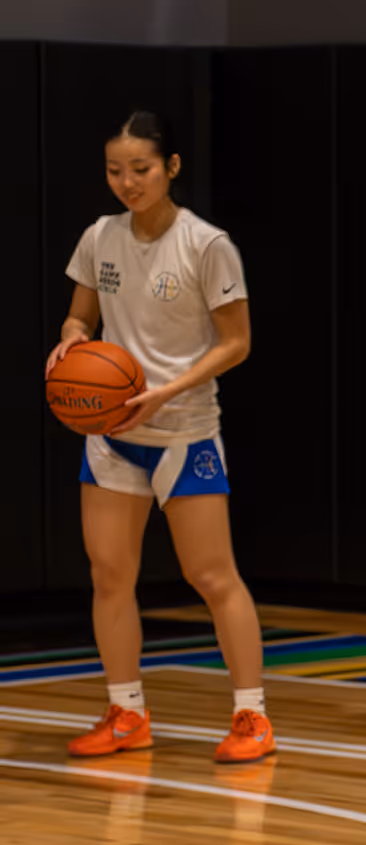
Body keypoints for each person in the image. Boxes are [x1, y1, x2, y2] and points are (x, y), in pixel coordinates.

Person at [49, 109, 274, 765]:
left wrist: (168, 389)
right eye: (115, 170)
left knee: (211, 575)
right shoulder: (99, 237)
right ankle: (126, 713)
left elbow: (237, 343)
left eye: (140, 169)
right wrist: (69, 344)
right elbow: (79, 315)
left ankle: (252, 717)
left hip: (184, 432)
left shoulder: (207, 245)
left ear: (171, 167)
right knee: (110, 574)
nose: (127, 182)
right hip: (113, 433)